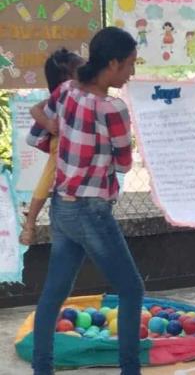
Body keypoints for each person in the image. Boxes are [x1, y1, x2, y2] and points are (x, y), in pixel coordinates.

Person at [27, 27, 142, 375]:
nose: (132, 72)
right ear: (112, 64)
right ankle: (130, 370)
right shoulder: (113, 108)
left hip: (62, 205)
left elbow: (40, 130)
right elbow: (124, 162)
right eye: (130, 65)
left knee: (54, 293)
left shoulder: (65, 91)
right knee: (132, 290)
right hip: (92, 209)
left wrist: (64, 130)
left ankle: (42, 368)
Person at [19, 49, 84, 246]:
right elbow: (34, 110)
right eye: (82, 68)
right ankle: (30, 222)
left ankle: (31, 220)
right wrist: (48, 124)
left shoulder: (84, 93)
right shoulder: (62, 95)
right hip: (61, 143)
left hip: (75, 147)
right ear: (67, 79)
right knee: (48, 176)